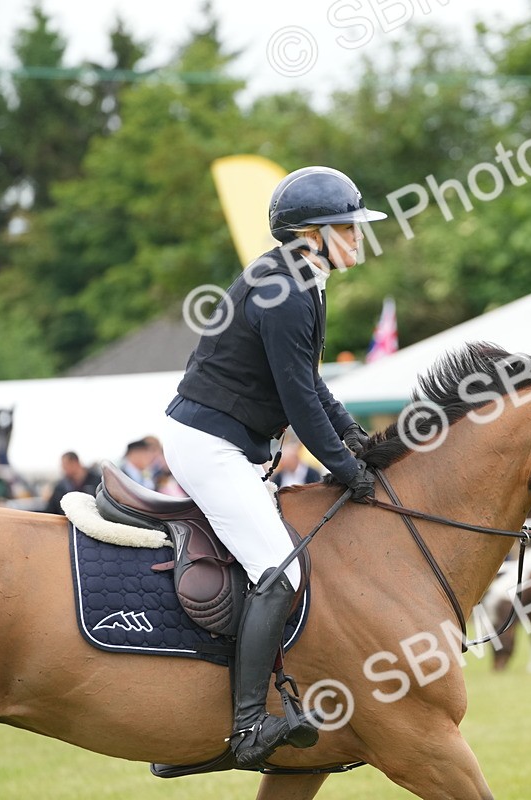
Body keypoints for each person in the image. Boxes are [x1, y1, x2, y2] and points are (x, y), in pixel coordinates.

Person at [159, 166, 379, 768]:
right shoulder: (284, 291)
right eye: (349, 227)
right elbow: (297, 400)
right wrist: (346, 470)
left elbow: (310, 384)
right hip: (209, 443)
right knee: (279, 573)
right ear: (313, 233)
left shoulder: (300, 277)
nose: (360, 237)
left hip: (221, 438)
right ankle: (250, 726)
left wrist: (357, 440)